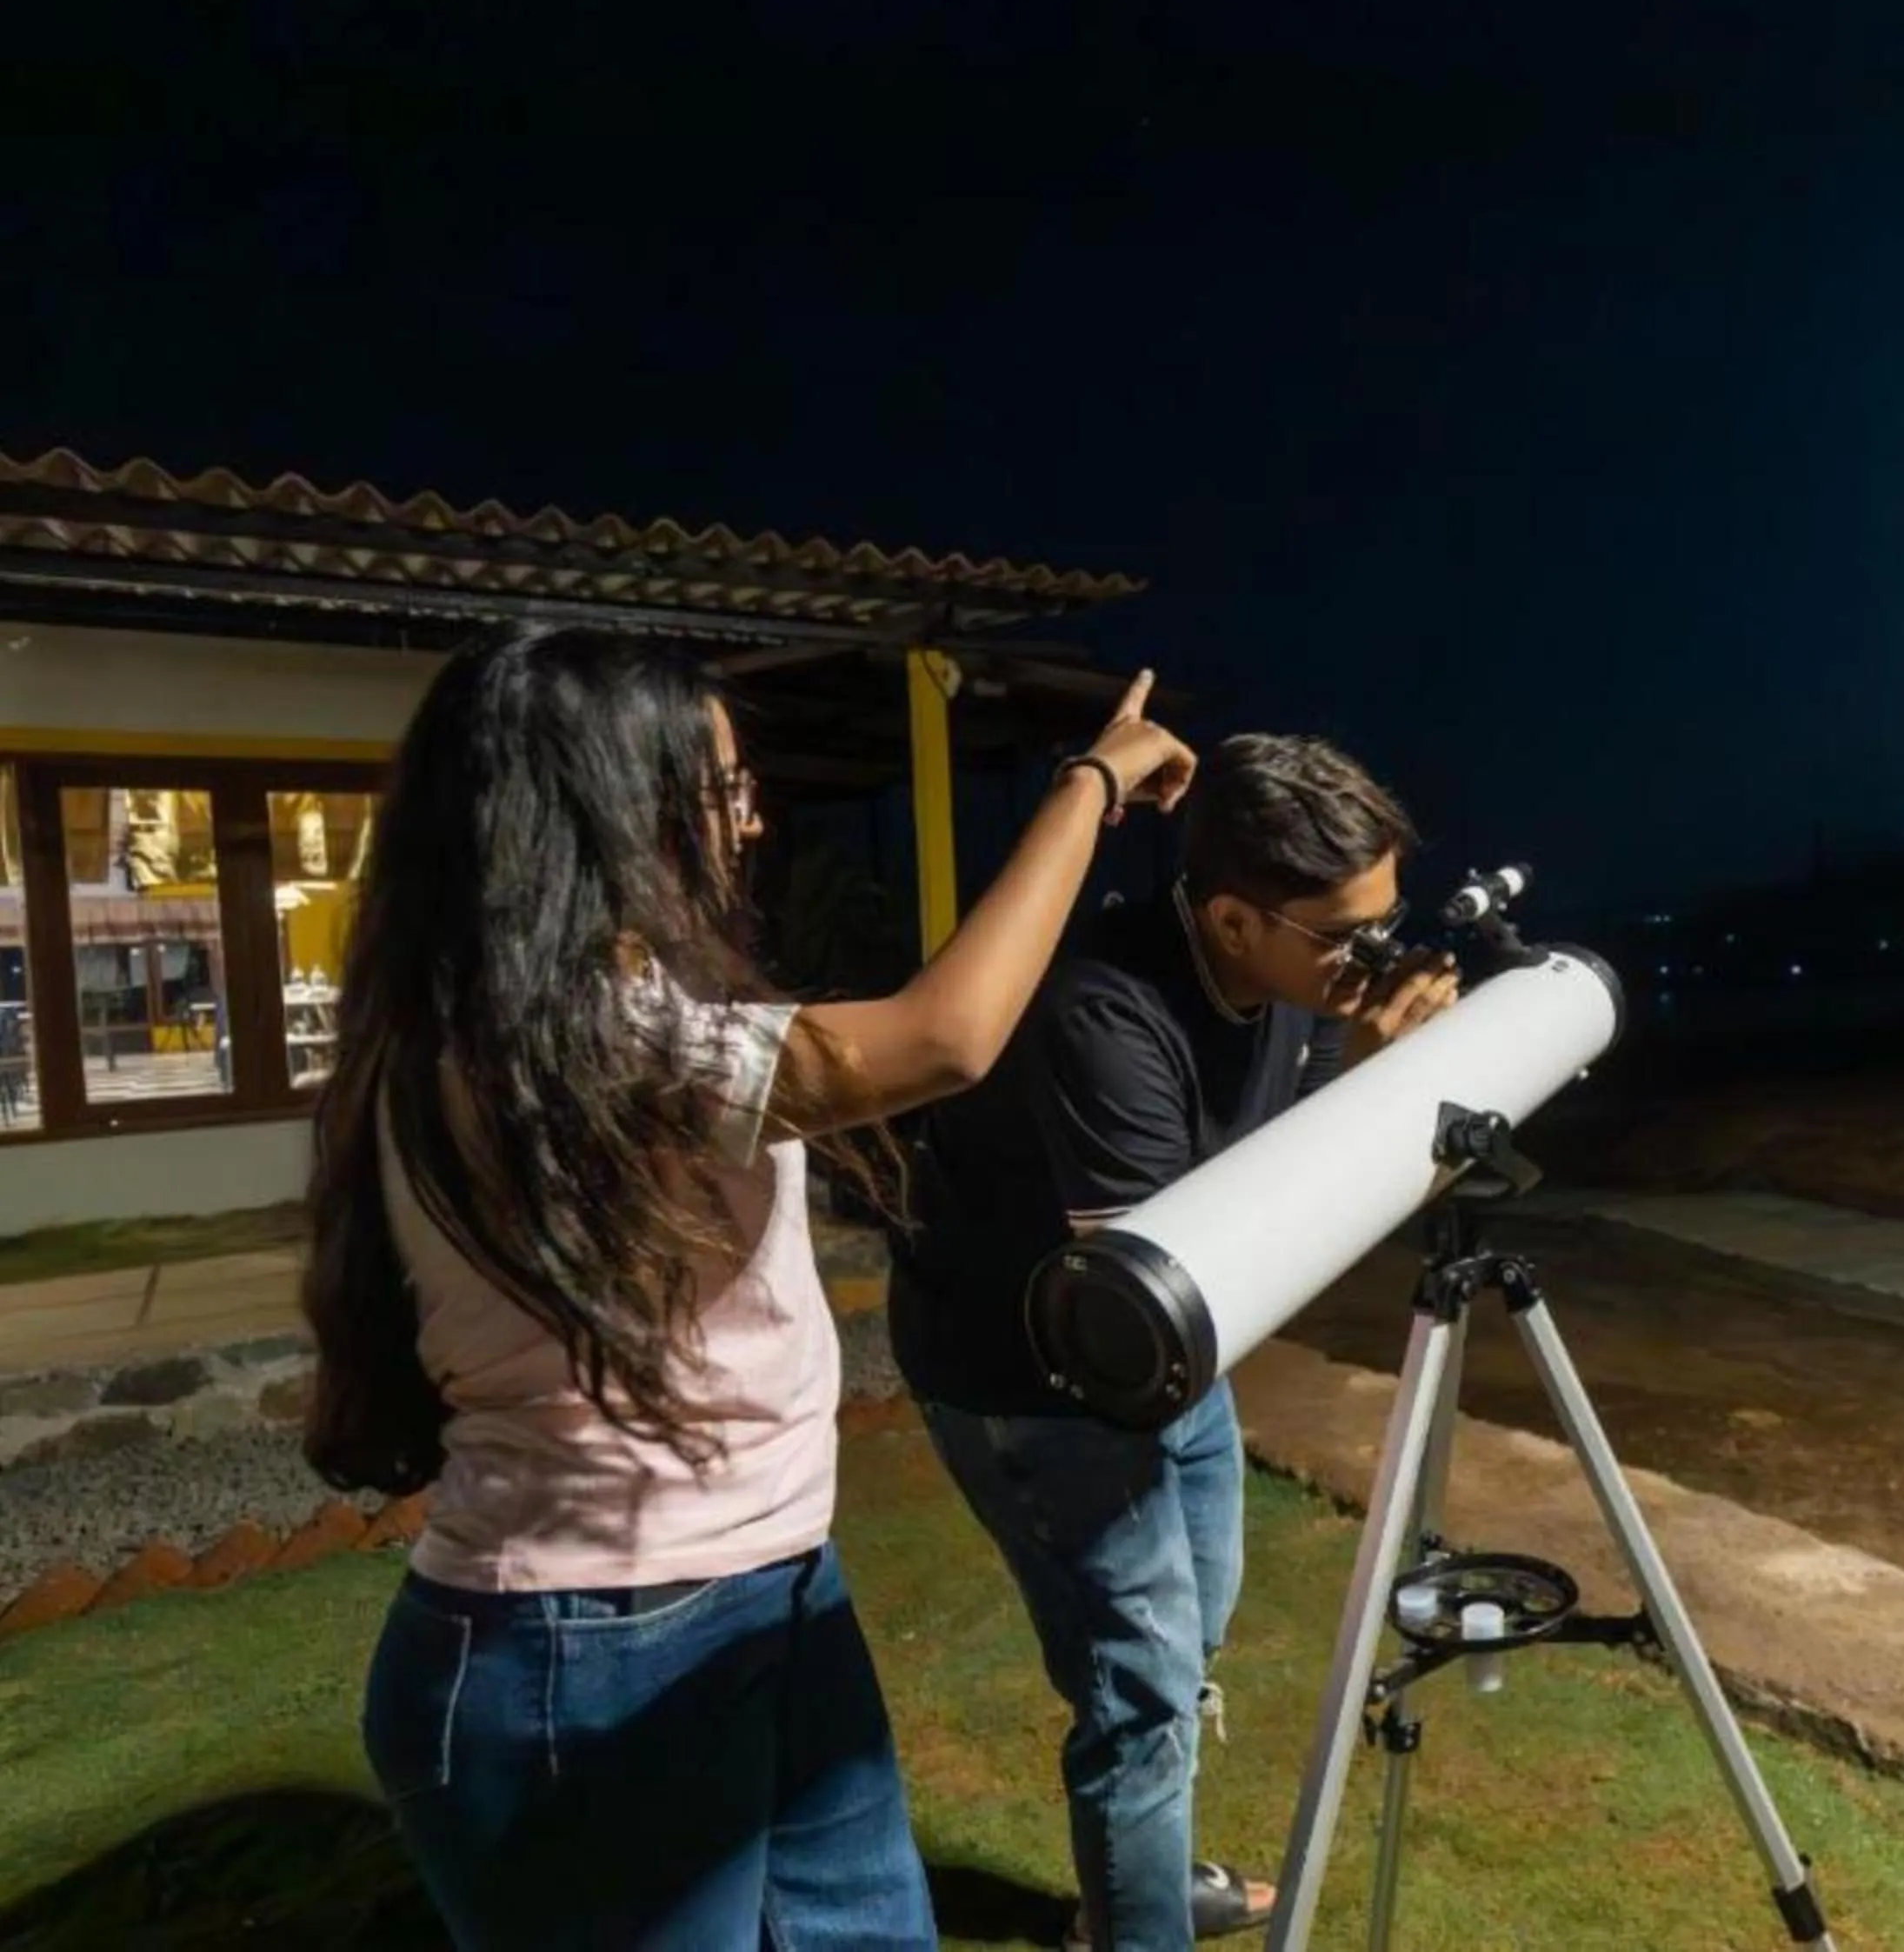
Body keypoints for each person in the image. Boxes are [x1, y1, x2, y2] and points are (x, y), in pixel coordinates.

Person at [299, 625, 1195, 1951]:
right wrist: (1092, 785)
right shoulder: (570, 1039)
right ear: (607, 807)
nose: (751, 816)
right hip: (589, 1650)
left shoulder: (587, 1006)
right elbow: (949, 1034)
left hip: (762, 1586)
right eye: (720, 789)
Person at [889, 733, 1460, 1952]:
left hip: (1169, 1358)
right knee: (1139, 1685)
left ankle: (1135, 1874)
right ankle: (1135, 1923)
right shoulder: (1102, 1008)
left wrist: (1365, 1069)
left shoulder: (1298, 982)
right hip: (1041, 1371)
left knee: (1193, 1621)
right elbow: (1190, 1263)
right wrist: (1376, 1091)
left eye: (1386, 920)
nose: (1377, 956)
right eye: (1344, 933)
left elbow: (1265, 1178)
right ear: (1234, 920)